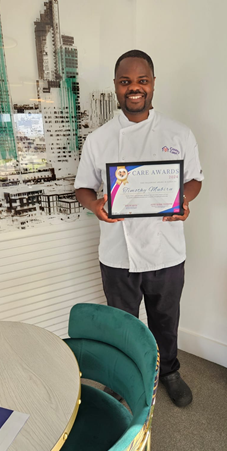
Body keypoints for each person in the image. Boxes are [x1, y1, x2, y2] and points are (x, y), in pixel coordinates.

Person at [74, 50, 203, 407]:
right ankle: (122, 379)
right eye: (126, 81)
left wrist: (185, 201)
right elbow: (83, 188)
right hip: (118, 252)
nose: (134, 88)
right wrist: (95, 205)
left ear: (153, 84)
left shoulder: (178, 133)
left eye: (141, 80)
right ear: (116, 86)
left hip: (167, 248)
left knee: (165, 319)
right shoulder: (99, 140)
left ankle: (169, 371)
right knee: (122, 324)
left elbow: (194, 180)